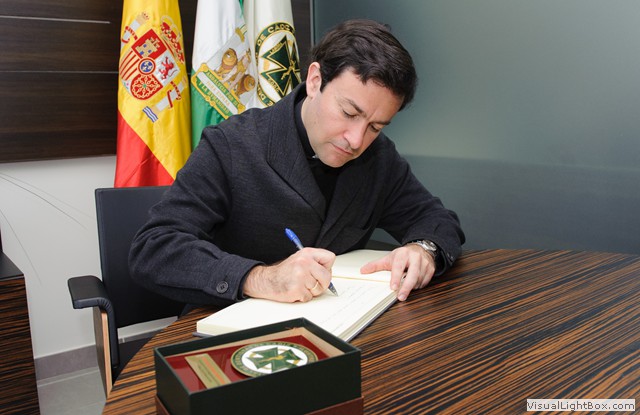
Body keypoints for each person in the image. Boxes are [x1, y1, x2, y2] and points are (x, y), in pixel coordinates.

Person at [129, 19, 465, 307]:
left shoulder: (378, 157)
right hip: (231, 329)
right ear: (315, 80)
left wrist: (423, 249)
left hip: (338, 326)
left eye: (376, 126)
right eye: (349, 113)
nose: (356, 140)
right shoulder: (230, 145)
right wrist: (260, 278)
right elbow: (153, 248)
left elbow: (436, 219)